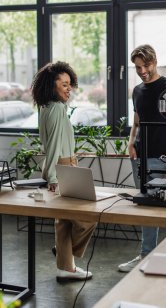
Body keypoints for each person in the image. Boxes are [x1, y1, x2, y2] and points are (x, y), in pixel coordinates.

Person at [118, 44, 166, 272]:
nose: (142, 71)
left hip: (163, 159)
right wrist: (130, 142)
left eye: (146, 65)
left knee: (165, 210)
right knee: (146, 209)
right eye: (137, 67)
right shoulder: (137, 91)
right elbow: (137, 120)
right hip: (139, 158)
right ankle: (146, 257)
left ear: (155, 61)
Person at [31, 61, 97, 281]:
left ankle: (65, 266)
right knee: (87, 216)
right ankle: (64, 256)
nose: (69, 88)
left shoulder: (47, 107)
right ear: (52, 85)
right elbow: (53, 146)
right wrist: (53, 176)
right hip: (64, 167)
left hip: (64, 166)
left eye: (71, 84)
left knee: (64, 220)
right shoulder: (57, 109)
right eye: (64, 84)